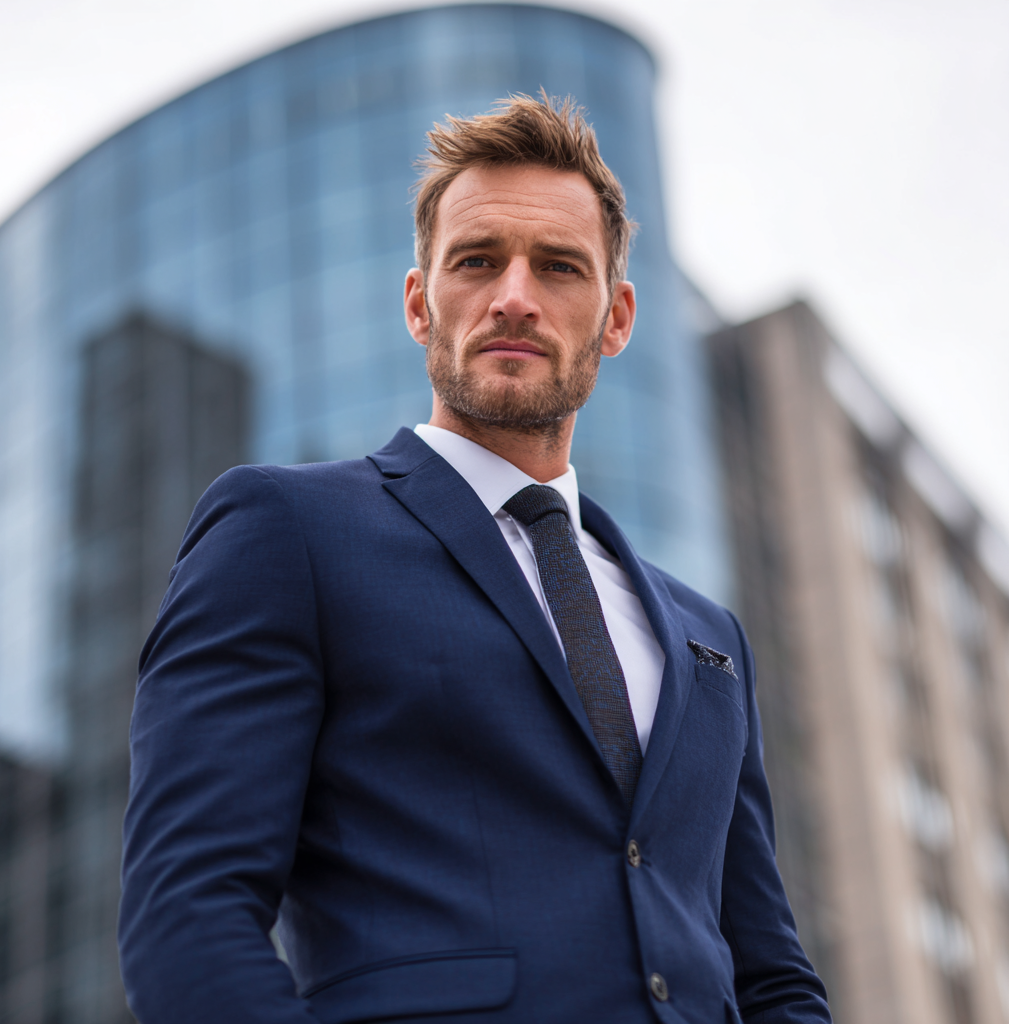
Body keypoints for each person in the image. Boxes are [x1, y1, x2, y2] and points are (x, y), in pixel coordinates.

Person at [119, 94, 831, 1024]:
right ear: (421, 303)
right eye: (478, 260)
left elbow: (769, 975)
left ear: (615, 319)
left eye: (560, 267)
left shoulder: (708, 634)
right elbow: (187, 915)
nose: (514, 298)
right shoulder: (285, 530)